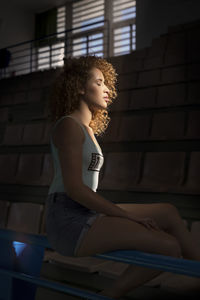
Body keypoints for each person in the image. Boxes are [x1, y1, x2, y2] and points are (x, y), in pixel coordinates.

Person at [45, 55, 200, 299]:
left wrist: (118, 215)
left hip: (84, 211)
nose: (107, 90)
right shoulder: (68, 125)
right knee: (168, 247)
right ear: (79, 87)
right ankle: (109, 294)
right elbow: (74, 189)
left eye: (107, 84)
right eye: (99, 82)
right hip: (67, 220)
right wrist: (126, 216)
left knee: (168, 212)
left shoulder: (87, 129)